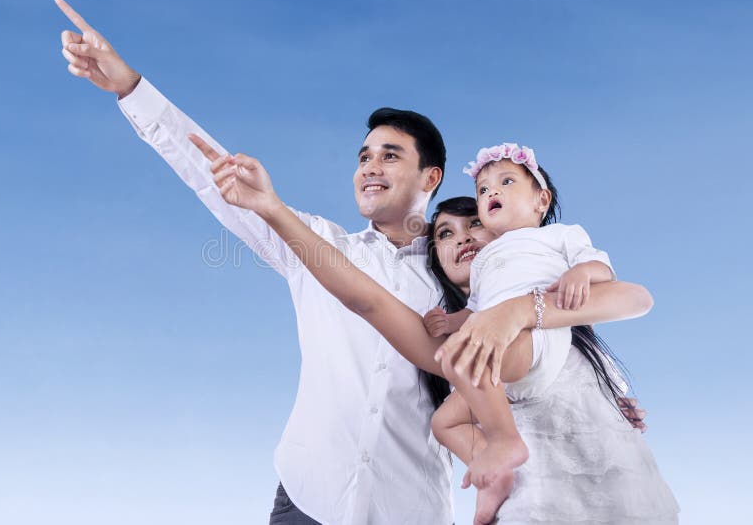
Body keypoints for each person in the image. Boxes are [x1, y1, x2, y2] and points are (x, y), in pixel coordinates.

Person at [55, 0, 653, 524]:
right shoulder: (319, 249)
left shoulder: (468, 273)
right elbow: (218, 181)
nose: (370, 166)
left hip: (410, 508)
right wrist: (131, 89)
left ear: (431, 177)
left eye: (390, 156)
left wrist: (605, 400)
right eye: (364, 156)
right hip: (307, 502)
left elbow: (552, 331)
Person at [200, 146, 679, 524]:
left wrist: (519, 312)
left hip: (605, 484)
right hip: (532, 499)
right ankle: (499, 457)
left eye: (475, 223)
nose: (464, 238)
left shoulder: (548, 291)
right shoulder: (457, 334)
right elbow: (366, 298)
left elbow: (634, 299)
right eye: (444, 235)